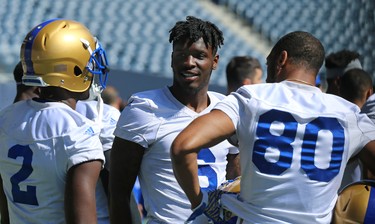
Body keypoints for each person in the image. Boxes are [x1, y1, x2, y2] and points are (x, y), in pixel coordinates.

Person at [171, 31, 375, 223]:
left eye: (268, 62)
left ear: (281, 59)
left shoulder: (251, 98)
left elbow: (183, 146)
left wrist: (200, 202)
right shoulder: (349, 114)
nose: (267, 75)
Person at [109, 16, 240, 224]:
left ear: (214, 61)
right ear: (172, 59)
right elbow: (118, 192)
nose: (189, 63)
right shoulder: (143, 109)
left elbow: (236, 180)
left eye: (199, 56)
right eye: (182, 55)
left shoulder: (227, 109)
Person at [0, 18, 108, 223]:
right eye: (88, 62)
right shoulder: (77, 132)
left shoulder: (6, 119)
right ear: (72, 69)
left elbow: (7, 209)